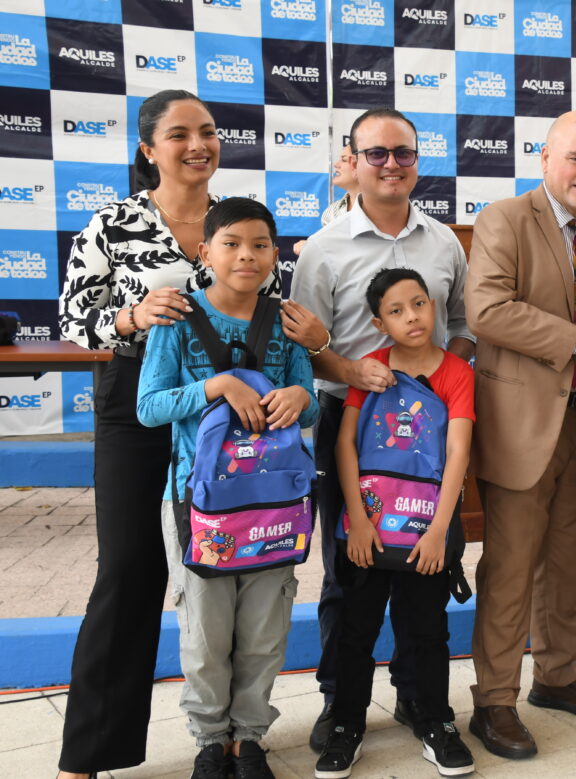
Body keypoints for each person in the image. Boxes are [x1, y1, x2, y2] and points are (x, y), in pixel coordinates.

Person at [55, 89, 278, 779]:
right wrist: (130, 316)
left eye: (207, 131)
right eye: (179, 134)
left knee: (236, 566)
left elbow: (272, 306)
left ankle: (235, 738)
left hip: (233, 415)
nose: (198, 144)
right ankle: (87, 754)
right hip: (139, 403)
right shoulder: (114, 222)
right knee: (129, 569)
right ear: (149, 148)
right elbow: (72, 316)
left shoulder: (237, 218)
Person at [285, 107, 475, 753]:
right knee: (351, 572)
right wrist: (356, 374)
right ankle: (341, 704)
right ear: (353, 160)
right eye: (376, 153)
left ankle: (421, 701)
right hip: (352, 427)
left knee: (425, 569)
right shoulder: (324, 248)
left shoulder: (444, 243)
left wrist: (440, 385)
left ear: (417, 160)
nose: (391, 164)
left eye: (403, 152)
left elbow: (463, 327)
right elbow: (303, 350)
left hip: (432, 433)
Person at [464, 110, 576, 759]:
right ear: (544, 158)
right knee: (509, 571)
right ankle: (494, 700)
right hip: (521, 428)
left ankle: (557, 676)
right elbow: (487, 310)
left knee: (568, 565)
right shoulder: (505, 219)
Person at [137, 197, 318, 779]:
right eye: (231, 243)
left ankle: (249, 738)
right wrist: (214, 386)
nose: (246, 256)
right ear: (204, 252)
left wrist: (301, 396)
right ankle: (210, 740)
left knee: (265, 628)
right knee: (205, 632)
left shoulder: (286, 321)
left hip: (274, 504)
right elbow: (148, 406)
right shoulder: (178, 319)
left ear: (273, 254)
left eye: (260, 245)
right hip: (198, 504)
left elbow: (310, 402)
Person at [314, 268, 475, 779]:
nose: (412, 317)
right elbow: (345, 443)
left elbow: (458, 452)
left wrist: (439, 531)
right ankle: (346, 725)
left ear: (434, 305)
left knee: (426, 629)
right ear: (379, 323)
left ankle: (436, 723)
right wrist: (358, 521)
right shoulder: (371, 369)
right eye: (396, 310)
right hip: (368, 530)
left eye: (419, 303)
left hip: (425, 531)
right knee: (355, 628)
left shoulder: (457, 372)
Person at [293, 143, 359, 256]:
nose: (336, 165)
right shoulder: (331, 212)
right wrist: (311, 247)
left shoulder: (384, 208)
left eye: (343, 160)